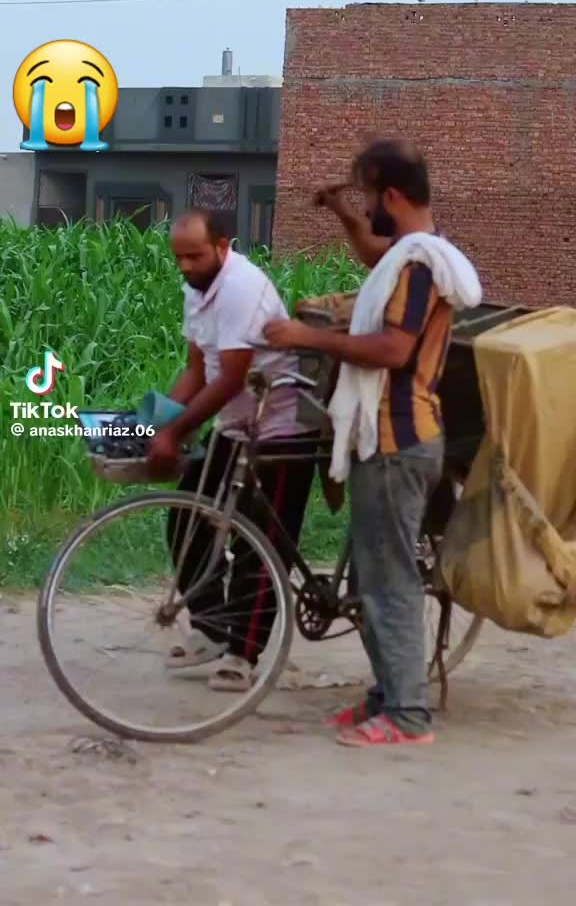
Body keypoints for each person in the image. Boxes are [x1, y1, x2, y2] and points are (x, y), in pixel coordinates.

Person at [265, 139, 481, 747]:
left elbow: (393, 349)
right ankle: (388, 696)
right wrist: (343, 213)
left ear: (392, 195)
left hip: (397, 437)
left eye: (366, 197)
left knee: (389, 580)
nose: (366, 207)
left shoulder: (420, 266)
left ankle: (408, 715)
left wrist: (308, 337)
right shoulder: (413, 254)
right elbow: (373, 255)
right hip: (387, 438)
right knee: (370, 577)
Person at [147, 209, 315, 692]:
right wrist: (155, 422)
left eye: (195, 256)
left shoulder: (241, 288)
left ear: (223, 246)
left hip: (278, 430)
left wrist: (175, 434)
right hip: (235, 425)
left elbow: (231, 379)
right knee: (185, 519)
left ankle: (244, 653)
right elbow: (197, 371)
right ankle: (213, 627)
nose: (185, 266)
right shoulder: (197, 288)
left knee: (258, 545)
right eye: (179, 257)